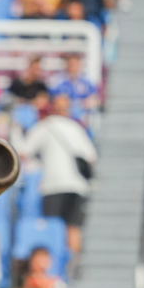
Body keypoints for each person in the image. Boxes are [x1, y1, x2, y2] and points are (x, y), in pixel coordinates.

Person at [21, 93, 97, 259]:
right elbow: (91, 156)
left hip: (53, 185)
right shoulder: (77, 128)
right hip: (77, 186)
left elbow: (24, 151)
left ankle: (55, 266)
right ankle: (71, 268)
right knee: (73, 227)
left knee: (52, 229)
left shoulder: (45, 126)